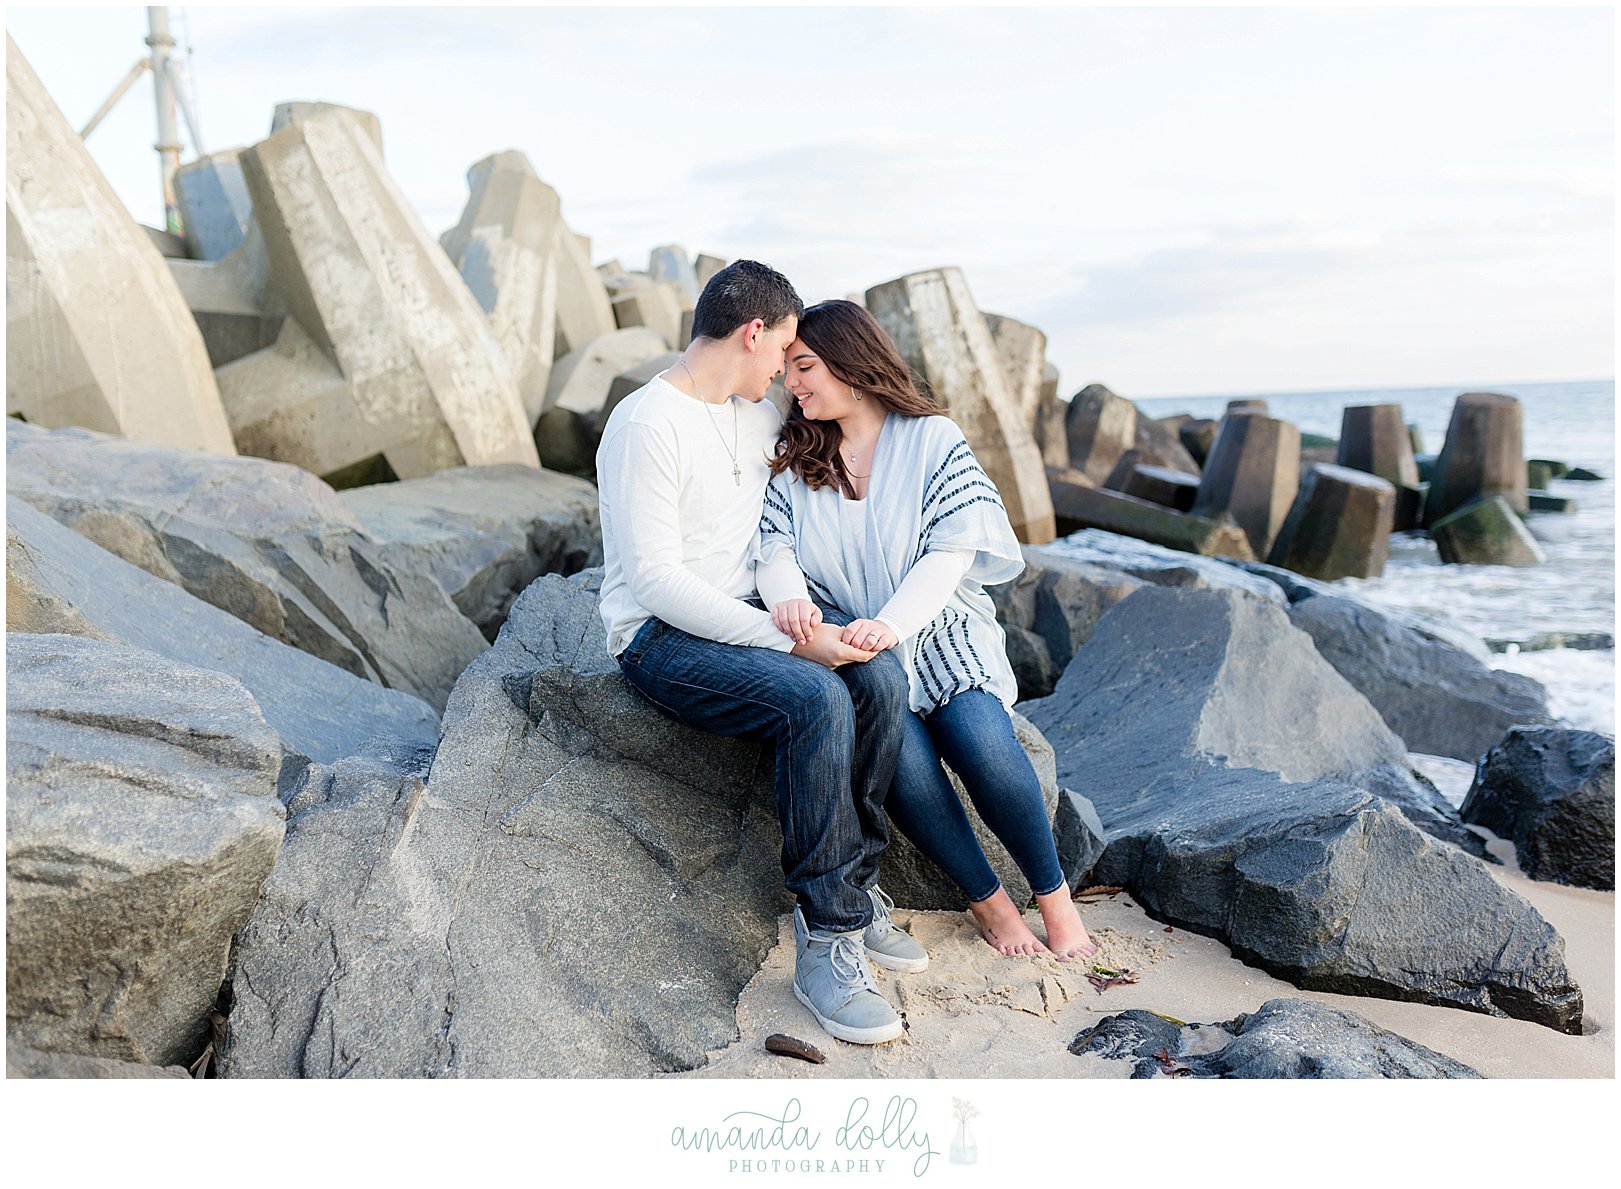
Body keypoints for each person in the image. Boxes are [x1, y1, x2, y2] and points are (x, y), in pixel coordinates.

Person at [596, 262, 927, 1046]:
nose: (787, 365)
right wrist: (790, 642)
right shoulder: (646, 423)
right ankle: (827, 938)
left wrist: (798, 611)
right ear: (753, 334)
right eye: (783, 347)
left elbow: (776, 524)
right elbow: (656, 581)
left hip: (754, 610)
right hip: (658, 637)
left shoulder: (757, 410)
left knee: (877, 669)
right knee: (812, 697)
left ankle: (855, 882)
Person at [756, 298, 1099, 961]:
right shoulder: (798, 455)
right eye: (786, 373)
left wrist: (890, 624)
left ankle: (1056, 904)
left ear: (851, 364)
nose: (791, 385)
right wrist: (791, 600)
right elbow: (774, 549)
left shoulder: (930, 439)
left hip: (938, 632)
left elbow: (952, 553)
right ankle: (991, 906)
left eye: (803, 367)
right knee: (906, 767)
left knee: (983, 744)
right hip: (855, 651)